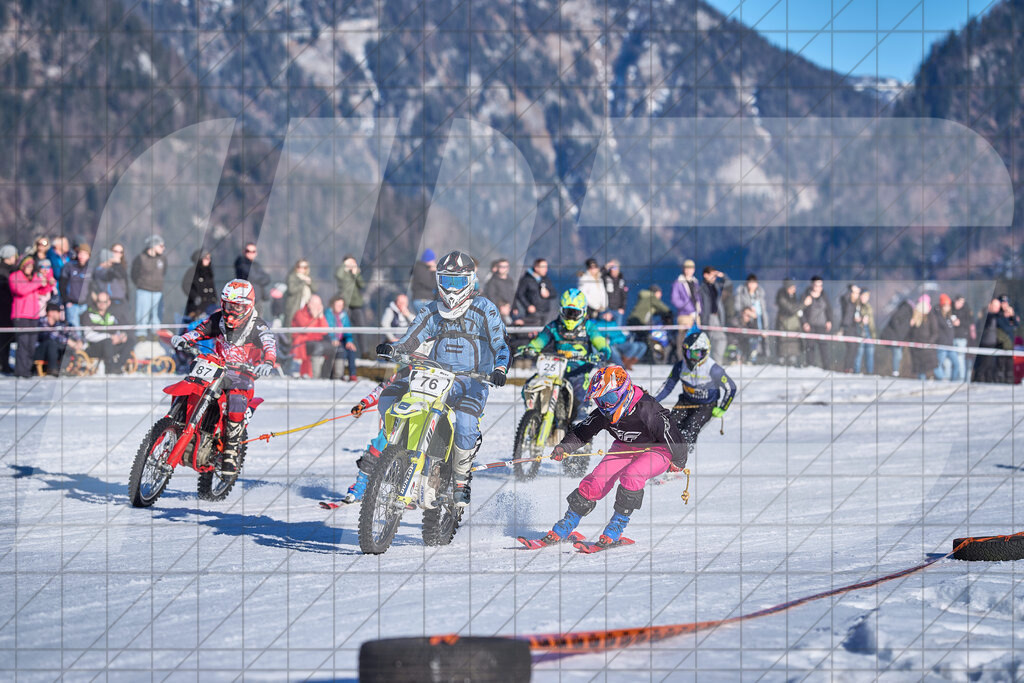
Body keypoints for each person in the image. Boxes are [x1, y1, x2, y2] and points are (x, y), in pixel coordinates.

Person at [374, 250, 510, 508]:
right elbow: (412, 337)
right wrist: (395, 350)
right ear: (437, 280)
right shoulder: (431, 309)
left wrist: (500, 370)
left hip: (472, 380)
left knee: (466, 422)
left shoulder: (484, 309)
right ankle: (398, 454)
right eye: (446, 280)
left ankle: (460, 481)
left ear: (470, 280)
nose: (451, 288)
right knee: (389, 397)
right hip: (434, 374)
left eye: (457, 282)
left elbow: (501, 344)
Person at [533, 366, 688, 549]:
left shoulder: (648, 410)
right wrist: (564, 447)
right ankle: (567, 524)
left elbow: (673, 435)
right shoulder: (603, 413)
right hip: (625, 447)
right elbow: (583, 431)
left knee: (632, 475)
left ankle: (615, 528)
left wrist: (678, 461)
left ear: (623, 392)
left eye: (608, 398)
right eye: (599, 399)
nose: (604, 404)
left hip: (659, 449)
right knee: (597, 480)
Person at [171, 280, 278, 473]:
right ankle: (174, 421)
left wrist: (268, 363)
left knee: (236, 398)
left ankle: (230, 451)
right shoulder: (218, 319)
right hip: (217, 367)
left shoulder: (257, 325)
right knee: (193, 381)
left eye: (237, 306)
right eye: (229, 305)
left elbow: (269, 343)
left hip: (243, 374)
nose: (232, 310)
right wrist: (184, 339)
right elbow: (200, 330)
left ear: (248, 305)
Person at [521, 288, 612, 422]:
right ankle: (534, 417)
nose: (570, 317)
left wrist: (603, 352)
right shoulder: (553, 326)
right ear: (561, 311)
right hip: (554, 370)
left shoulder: (589, 327)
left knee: (581, 400)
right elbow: (540, 341)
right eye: (567, 312)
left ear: (583, 312)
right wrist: (530, 348)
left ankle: (582, 434)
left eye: (575, 313)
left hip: (578, 372)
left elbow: (600, 342)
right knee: (529, 386)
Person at [653, 328, 736, 467]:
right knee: (670, 426)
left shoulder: (713, 369)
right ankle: (660, 457)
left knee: (690, 428)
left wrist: (722, 408)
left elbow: (731, 387)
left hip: (706, 406)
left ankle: (680, 461)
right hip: (685, 401)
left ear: (705, 352)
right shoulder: (680, 366)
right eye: (688, 352)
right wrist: (653, 401)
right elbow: (668, 385)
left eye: (696, 353)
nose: (692, 357)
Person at [9, 255, 57, 377]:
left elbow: (42, 291)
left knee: (31, 345)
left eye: (31, 266)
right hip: (21, 315)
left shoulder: (34, 278)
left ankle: (28, 370)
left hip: (34, 316)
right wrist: (37, 282)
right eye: (27, 266)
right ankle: (20, 371)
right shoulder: (14, 276)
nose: (29, 269)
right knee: (23, 344)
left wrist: (49, 283)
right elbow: (21, 290)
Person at [82, 292, 131, 375]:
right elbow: (88, 335)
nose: (101, 304)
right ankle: (109, 368)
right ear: (96, 302)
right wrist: (109, 337)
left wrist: (121, 336)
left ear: (108, 302)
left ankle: (117, 366)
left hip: (110, 345)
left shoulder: (112, 314)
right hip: (93, 347)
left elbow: (117, 329)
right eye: (99, 301)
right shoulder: (88, 314)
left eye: (104, 302)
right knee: (107, 341)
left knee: (130, 341)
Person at [131, 235, 166, 338]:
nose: (163, 248)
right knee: (142, 315)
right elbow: (134, 274)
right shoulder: (140, 258)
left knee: (157, 316)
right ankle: (141, 336)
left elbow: (164, 272)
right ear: (153, 245)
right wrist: (141, 284)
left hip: (158, 291)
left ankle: (155, 336)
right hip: (144, 291)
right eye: (161, 245)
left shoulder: (163, 259)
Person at [36, 302, 82, 376]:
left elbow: (69, 331)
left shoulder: (58, 324)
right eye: (58, 312)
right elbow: (51, 335)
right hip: (40, 352)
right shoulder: (41, 322)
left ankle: (64, 369)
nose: (60, 314)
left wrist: (78, 341)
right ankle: (52, 369)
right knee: (52, 343)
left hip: (53, 352)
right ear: (50, 313)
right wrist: (68, 341)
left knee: (66, 347)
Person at [291, 294, 331, 378]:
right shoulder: (300, 314)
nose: (317, 307)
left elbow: (325, 331)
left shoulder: (319, 315)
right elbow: (307, 330)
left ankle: (326, 376)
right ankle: (314, 376)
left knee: (332, 348)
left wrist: (321, 317)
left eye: (319, 305)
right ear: (309, 304)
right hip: (302, 342)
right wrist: (315, 317)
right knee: (318, 347)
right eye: (315, 305)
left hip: (316, 341)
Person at [94, 244, 132, 329]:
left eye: (120, 252)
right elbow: (109, 275)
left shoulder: (115, 268)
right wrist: (116, 263)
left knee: (123, 324)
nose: (117, 254)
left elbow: (122, 276)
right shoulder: (100, 271)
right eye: (115, 252)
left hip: (120, 302)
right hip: (110, 302)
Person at [670, 259, 701, 361]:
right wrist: (687, 308)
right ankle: (682, 359)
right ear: (684, 269)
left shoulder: (695, 282)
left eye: (691, 268)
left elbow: (698, 298)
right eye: (687, 268)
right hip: (684, 315)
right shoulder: (678, 283)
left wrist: (698, 308)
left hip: (696, 315)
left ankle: (694, 359)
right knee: (683, 338)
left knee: (696, 338)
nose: (689, 270)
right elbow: (675, 299)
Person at [801, 276, 833, 370]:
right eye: (816, 285)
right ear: (812, 285)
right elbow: (801, 311)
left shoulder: (824, 296)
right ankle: (810, 367)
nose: (818, 288)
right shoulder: (806, 295)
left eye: (820, 285)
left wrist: (829, 321)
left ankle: (826, 368)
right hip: (810, 326)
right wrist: (804, 323)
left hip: (822, 326)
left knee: (824, 348)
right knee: (810, 347)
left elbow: (829, 309)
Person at [698, 266, 728, 363]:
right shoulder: (701, 288)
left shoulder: (715, 286)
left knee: (719, 339)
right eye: (712, 275)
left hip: (716, 317)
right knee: (714, 339)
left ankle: (715, 360)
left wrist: (722, 275)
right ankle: (712, 362)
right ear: (705, 275)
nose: (714, 278)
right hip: (708, 317)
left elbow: (728, 284)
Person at [514, 258, 556, 327]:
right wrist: (528, 306)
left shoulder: (546, 279)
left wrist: (548, 294)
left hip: (546, 312)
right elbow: (520, 294)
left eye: (546, 267)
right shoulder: (526, 279)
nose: (546, 269)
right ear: (536, 268)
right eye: (543, 267)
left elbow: (554, 293)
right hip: (533, 314)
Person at [325, 296, 359, 380]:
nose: (339, 307)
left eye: (341, 305)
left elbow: (347, 329)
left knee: (351, 350)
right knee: (341, 351)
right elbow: (328, 328)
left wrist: (349, 340)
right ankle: (339, 375)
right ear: (333, 305)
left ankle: (352, 374)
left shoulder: (344, 315)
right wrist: (333, 339)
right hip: (330, 340)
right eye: (338, 305)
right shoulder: (328, 314)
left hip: (342, 339)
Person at [735, 274, 768, 361]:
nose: (752, 285)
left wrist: (766, 326)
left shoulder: (760, 294)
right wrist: (747, 311)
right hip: (745, 322)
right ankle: (742, 357)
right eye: (750, 283)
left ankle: (755, 358)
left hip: (758, 321)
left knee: (757, 341)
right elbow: (737, 307)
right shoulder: (741, 292)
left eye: (754, 283)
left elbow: (764, 311)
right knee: (745, 340)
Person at [60, 244, 92, 329]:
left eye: (85, 254)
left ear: (89, 256)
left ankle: (84, 342)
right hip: (72, 305)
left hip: (85, 305)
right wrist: (67, 301)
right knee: (75, 329)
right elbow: (62, 286)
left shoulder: (90, 269)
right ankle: (78, 342)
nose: (82, 256)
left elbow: (92, 287)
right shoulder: (69, 267)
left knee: (86, 328)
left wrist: (89, 302)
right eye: (80, 253)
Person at [335, 254, 368, 336]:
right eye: (349, 262)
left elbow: (362, 285)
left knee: (361, 328)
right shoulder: (342, 272)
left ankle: (364, 349)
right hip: (345, 304)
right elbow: (338, 275)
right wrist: (344, 266)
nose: (351, 264)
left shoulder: (356, 273)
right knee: (344, 327)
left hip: (356, 305)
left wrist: (355, 274)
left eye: (353, 262)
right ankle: (342, 347)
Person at [908, 295, 939, 380]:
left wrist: (928, 343)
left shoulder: (931, 317)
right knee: (920, 372)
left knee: (935, 369)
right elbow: (911, 334)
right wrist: (910, 325)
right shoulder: (914, 319)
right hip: (916, 350)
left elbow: (935, 332)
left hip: (927, 349)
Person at [973, 297, 1003, 383]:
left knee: (990, 365)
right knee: (983, 365)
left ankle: (987, 380)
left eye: (998, 306)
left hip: (993, 343)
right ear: (990, 305)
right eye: (995, 306)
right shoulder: (987, 316)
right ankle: (979, 380)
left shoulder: (996, 316)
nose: (997, 308)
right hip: (986, 343)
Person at [182, 249, 218, 320]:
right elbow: (185, 285)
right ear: (200, 259)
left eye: (209, 258)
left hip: (211, 305)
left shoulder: (209, 271)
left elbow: (212, 287)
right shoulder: (192, 271)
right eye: (206, 258)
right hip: (197, 306)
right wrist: (195, 297)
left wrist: (215, 298)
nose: (209, 260)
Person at [882, 297, 913, 377]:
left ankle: (896, 371)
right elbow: (895, 319)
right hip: (895, 337)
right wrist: (899, 333)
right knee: (897, 354)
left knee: (898, 355)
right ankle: (895, 372)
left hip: (898, 337)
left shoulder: (907, 311)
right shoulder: (905, 309)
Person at [0, 244, 19, 373]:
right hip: (4, 309)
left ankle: (4, 364)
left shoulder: (12, 270)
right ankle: (4, 365)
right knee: (4, 339)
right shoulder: (4, 271)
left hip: (8, 309)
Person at [775, 279, 802, 366]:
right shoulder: (781, 297)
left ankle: (792, 362)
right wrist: (804, 304)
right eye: (792, 287)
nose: (794, 289)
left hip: (793, 327)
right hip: (783, 326)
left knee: (793, 347)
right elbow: (791, 310)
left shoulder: (793, 297)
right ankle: (781, 363)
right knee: (782, 348)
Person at [838, 284, 862, 372]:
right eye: (855, 292)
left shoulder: (856, 303)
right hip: (846, 326)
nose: (857, 294)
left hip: (854, 327)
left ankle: (850, 367)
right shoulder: (846, 301)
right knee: (851, 348)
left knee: (855, 348)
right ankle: (847, 368)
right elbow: (844, 297)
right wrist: (851, 289)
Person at [853, 289, 877, 375]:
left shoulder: (868, 306)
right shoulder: (857, 305)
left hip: (869, 331)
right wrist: (860, 320)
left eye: (866, 296)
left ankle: (870, 372)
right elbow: (854, 318)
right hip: (860, 330)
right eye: (863, 295)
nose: (864, 298)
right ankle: (857, 371)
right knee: (859, 351)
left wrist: (873, 334)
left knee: (870, 352)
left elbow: (872, 322)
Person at [285, 259, 315, 327]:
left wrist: (310, 283)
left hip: (306, 306)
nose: (302, 269)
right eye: (299, 267)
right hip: (294, 306)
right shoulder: (292, 277)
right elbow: (291, 290)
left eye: (304, 267)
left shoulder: (308, 278)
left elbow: (315, 289)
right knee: (291, 325)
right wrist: (303, 282)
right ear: (296, 267)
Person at [934, 294, 957, 381]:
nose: (948, 307)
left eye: (949, 306)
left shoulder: (949, 316)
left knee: (956, 364)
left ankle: (954, 382)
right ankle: (942, 379)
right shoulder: (938, 316)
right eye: (946, 305)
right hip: (942, 345)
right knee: (938, 365)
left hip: (950, 345)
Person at [951, 295, 974, 382]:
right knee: (953, 361)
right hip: (952, 337)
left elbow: (970, 321)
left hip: (961, 338)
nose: (961, 304)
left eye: (962, 303)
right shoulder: (951, 308)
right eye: (959, 302)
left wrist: (959, 322)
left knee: (960, 359)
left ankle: (961, 379)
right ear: (955, 301)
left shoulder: (966, 310)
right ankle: (954, 378)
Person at [601, 259, 628, 326]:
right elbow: (599, 274)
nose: (613, 270)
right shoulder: (606, 278)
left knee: (617, 329)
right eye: (611, 268)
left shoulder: (621, 280)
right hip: (607, 308)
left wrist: (622, 308)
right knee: (606, 328)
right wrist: (607, 266)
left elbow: (624, 295)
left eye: (615, 267)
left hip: (618, 310)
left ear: (618, 269)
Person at [409, 249, 436, 313]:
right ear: (429, 259)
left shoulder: (420, 268)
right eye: (433, 260)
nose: (434, 262)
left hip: (421, 300)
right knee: (427, 321)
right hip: (423, 300)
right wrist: (434, 272)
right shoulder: (421, 269)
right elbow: (431, 284)